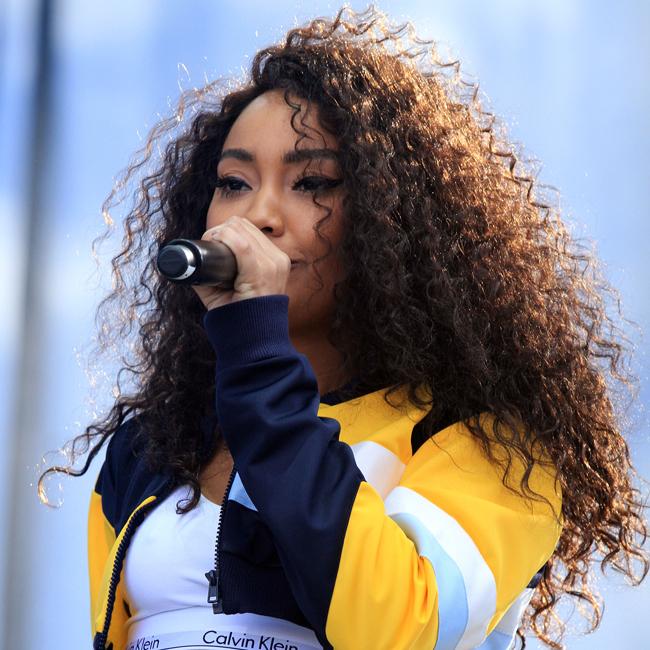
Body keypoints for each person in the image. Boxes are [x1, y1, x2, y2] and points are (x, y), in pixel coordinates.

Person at [42, 6, 648, 650]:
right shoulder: (148, 448)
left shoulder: (492, 442)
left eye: (311, 182)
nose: (260, 215)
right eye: (234, 182)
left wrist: (258, 357)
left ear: (393, 223)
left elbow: (398, 628)